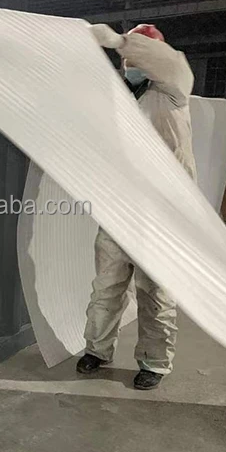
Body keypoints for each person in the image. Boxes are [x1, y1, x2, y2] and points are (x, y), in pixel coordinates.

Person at [78, 23, 196, 391]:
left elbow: (169, 61)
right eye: (126, 58)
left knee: (155, 292)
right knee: (106, 286)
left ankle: (154, 362)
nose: (130, 62)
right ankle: (97, 349)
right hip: (119, 207)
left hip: (162, 213)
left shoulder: (173, 88)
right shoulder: (120, 95)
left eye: (138, 53)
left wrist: (119, 40)